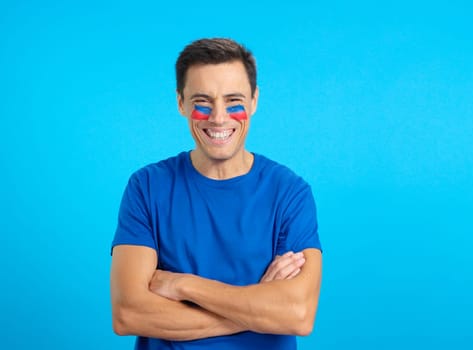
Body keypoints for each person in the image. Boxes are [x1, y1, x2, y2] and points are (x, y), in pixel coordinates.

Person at [110, 38, 322, 350]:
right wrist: (256, 309)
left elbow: (298, 314)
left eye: (233, 100)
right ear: (181, 102)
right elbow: (129, 313)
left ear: (254, 101)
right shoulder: (146, 187)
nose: (219, 117)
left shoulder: (290, 193)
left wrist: (183, 285)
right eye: (202, 102)